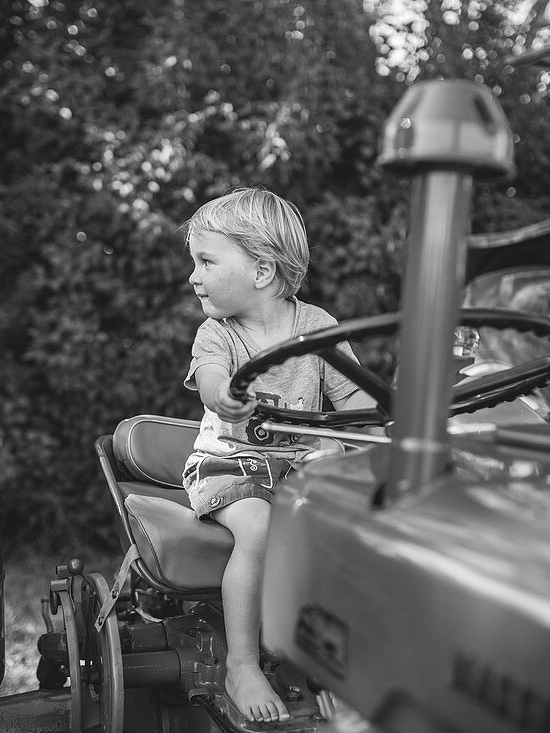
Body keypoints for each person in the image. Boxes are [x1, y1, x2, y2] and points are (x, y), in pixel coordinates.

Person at [181, 187, 374, 724]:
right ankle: (242, 664)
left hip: (295, 466)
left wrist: (369, 422)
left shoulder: (315, 327)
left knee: (353, 512)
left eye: (206, 261)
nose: (193, 276)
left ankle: (326, 648)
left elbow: (354, 397)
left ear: (262, 270)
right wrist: (225, 397)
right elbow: (213, 384)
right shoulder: (217, 333)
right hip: (228, 463)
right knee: (260, 528)